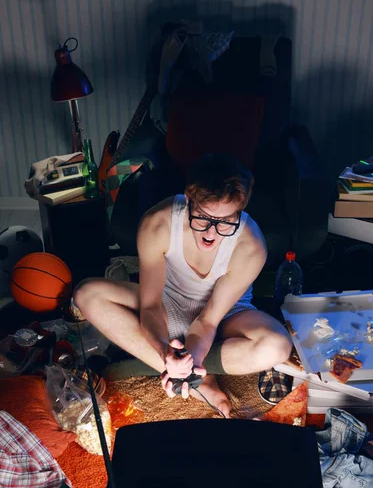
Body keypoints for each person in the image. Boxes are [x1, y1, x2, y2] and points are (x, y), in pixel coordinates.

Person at [73, 153, 292, 417]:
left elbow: (209, 320)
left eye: (225, 222)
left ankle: (188, 374)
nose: (211, 233)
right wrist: (164, 350)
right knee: (86, 294)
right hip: (168, 303)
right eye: (203, 218)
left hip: (225, 316)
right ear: (188, 200)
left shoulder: (251, 246)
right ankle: (192, 381)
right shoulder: (158, 223)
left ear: (240, 210)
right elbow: (151, 305)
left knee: (277, 346)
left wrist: (195, 358)